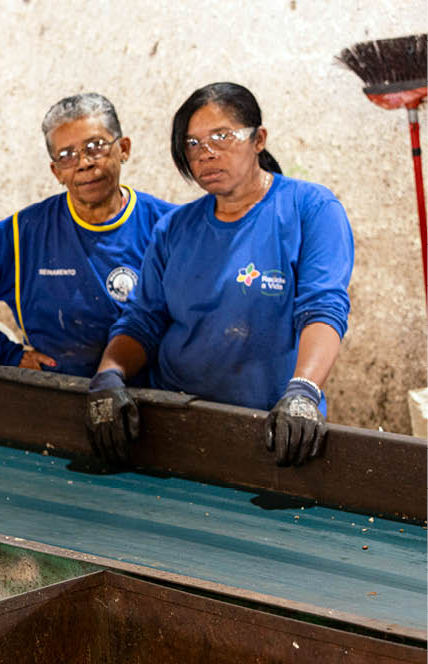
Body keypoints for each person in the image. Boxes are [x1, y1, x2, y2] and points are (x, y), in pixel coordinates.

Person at [85, 82, 354, 468]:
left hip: (273, 425)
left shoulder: (311, 209)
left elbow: (323, 308)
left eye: (222, 136)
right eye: (192, 143)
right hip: (172, 418)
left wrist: (303, 391)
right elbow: (143, 320)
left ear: (258, 139)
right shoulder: (174, 229)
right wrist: (109, 376)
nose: (206, 152)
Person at [0, 93, 175, 377]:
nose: (84, 163)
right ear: (56, 172)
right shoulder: (26, 232)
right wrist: (4, 355)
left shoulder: (170, 226)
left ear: (124, 149)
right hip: (57, 391)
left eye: (95, 147)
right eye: (67, 156)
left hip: (150, 393)